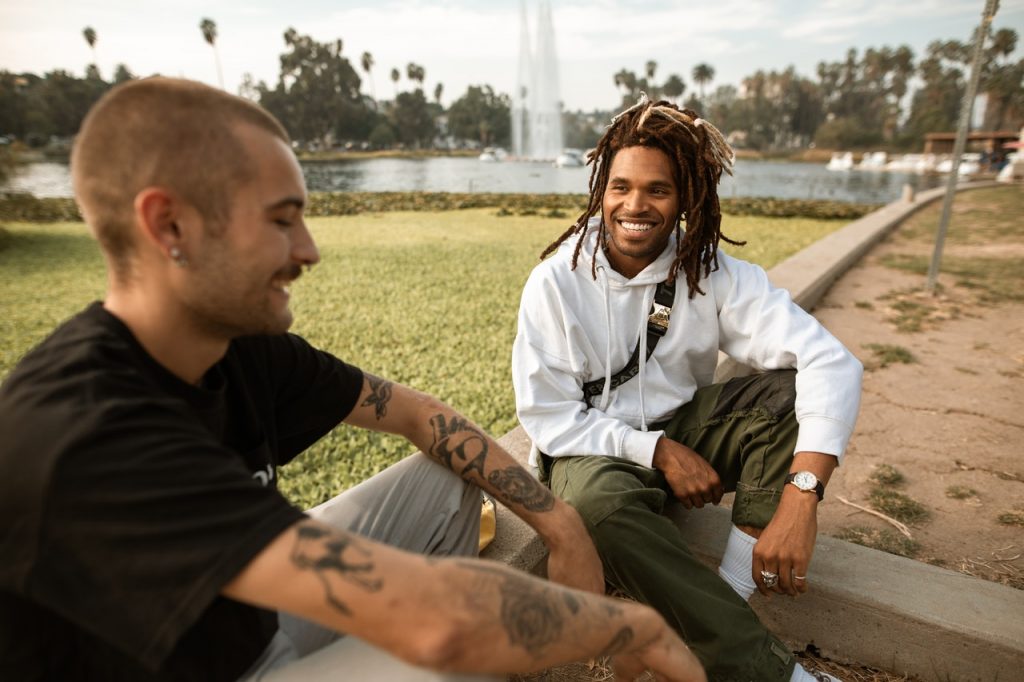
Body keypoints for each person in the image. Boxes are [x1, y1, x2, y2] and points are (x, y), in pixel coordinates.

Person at [0, 78, 706, 682]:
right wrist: (637, 629)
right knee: (449, 647)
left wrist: (562, 523)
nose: (306, 250)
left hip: (246, 624)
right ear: (170, 224)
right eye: (282, 220)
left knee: (445, 472)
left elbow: (419, 415)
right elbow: (438, 621)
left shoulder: (233, 347)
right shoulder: (85, 434)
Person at [511, 96, 863, 682]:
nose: (635, 205)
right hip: (592, 451)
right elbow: (549, 416)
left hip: (686, 433)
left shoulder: (710, 272)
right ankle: (776, 673)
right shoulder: (556, 281)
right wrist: (658, 453)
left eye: (658, 190)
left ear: (686, 199)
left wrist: (802, 497)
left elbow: (831, 361)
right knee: (596, 507)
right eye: (620, 186)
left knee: (787, 395)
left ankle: (731, 585)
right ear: (601, 189)